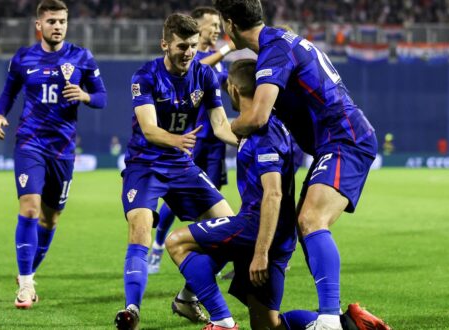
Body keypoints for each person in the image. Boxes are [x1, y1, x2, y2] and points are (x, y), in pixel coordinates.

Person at [213, 1, 387, 329]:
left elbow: (258, 116)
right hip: (332, 143)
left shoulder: (274, 51)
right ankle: (343, 321)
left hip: (344, 138)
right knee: (305, 227)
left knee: (311, 220)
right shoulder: (282, 40)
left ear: (230, 24)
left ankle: (328, 321)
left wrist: (225, 129)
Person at [114, 13, 239, 330]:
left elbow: (221, 124)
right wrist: (177, 140)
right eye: (182, 46)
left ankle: (186, 297)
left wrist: (247, 140)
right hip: (145, 164)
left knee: (232, 232)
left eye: (194, 46)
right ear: (165, 44)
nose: (189, 52)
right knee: (140, 227)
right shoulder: (145, 76)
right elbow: (149, 129)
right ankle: (132, 310)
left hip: (182, 166)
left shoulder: (205, 76)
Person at [0, 0, 107, 309]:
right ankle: (26, 284)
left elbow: (102, 98)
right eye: (52, 21)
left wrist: (84, 95)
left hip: (63, 150)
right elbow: (9, 91)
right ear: (39, 25)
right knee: (29, 207)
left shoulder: (82, 57)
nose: (58, 26)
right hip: (30, 143)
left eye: (62, 21)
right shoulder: (23, 57)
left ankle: (28, 272)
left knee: (51, 218)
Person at [147, 6, 236, 275]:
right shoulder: (194, 58)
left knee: (212, 202)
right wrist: (227, 49)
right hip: (191, 139)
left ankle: (213, 254)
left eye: (219, 26)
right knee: (177, 199)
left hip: (216, 141)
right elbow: (200, 66)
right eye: (212, 25)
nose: (217, 30)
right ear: (198, 26)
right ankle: (159, 245)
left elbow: (222, 80)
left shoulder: (215, 60)